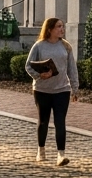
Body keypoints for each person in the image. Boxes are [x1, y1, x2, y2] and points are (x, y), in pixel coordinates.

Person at [24, 17, 79, 165]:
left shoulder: (66, 46)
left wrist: (75, 88)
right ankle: (41, 150)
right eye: (58, 27)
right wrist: (39, 75)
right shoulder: (39, 46)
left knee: (60, 121)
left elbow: (71, 68)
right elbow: (28, 66)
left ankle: (61, 154)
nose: (62, 29)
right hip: (42, 89)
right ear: (49, 29)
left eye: (62, 26)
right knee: (43, 121)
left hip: (62, 89)